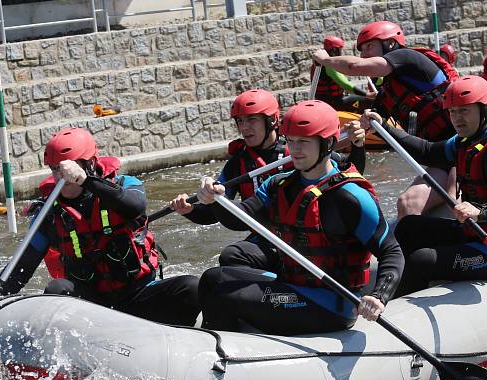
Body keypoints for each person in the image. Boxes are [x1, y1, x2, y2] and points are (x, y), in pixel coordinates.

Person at [194, 100, 404, 335]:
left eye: (304, 141)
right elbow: (238, 219)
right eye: (291, 141)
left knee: (224, 294)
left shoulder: (351, 196)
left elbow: (391, 251)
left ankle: (227, 353)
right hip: (294, 286)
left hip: (331, 303)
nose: (295, 149)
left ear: (328, 143)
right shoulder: (279, 183)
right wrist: (218, 200)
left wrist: (379, 296)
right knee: (212, 279)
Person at [0, 127, 200, 326]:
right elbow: (20, 269)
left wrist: (86, 180)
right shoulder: (49, 213)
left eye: (68, 169)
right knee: (57, 289)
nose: (63, 177)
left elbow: (135, 207)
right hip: (91, 308)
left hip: (138, 293)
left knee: (191, 287)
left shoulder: (125, 186)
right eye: (56, 170)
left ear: (90, 163)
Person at [361, 76, 487, 296]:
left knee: (422, 260)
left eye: (464, 111)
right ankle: (397, 286)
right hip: (475, 232)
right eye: (452, 112)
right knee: (408, 227)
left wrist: (481, 211)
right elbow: (428, 152)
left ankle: (397, 305)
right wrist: (384, 128)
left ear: (486, 109)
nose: (457, 119)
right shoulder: (464, 140)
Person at [169, 89, 367, 270]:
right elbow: (219, 212)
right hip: (269, 235)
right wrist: (192, 209)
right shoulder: (237, 163)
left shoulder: (299, 151)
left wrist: (358, 146)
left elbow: (349, 174)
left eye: (251, 120)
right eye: (240, 121)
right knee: (231, 257)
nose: (244, 127)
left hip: (309, 232)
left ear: (272, 120)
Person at [312, 20, 459, 219]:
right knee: (407, 204)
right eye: (361, 50)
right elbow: (363, 128)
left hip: (463, 147)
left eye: (369, 47)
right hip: (440, 156)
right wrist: (318, 146)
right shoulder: (388, 92)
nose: (364, 54)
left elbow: (354, 66)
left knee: (454, 199)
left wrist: (326, 60)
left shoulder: (408, 58)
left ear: (390, 44)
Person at [311, 35, 377, 111]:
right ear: (334, 50)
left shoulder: (318, 63)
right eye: (339, 50)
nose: (340, 52)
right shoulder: (329, 66)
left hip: (324, 102)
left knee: (357, 101)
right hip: (334, 103)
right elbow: (346, 85)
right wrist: (367, 94)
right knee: (371, 100)